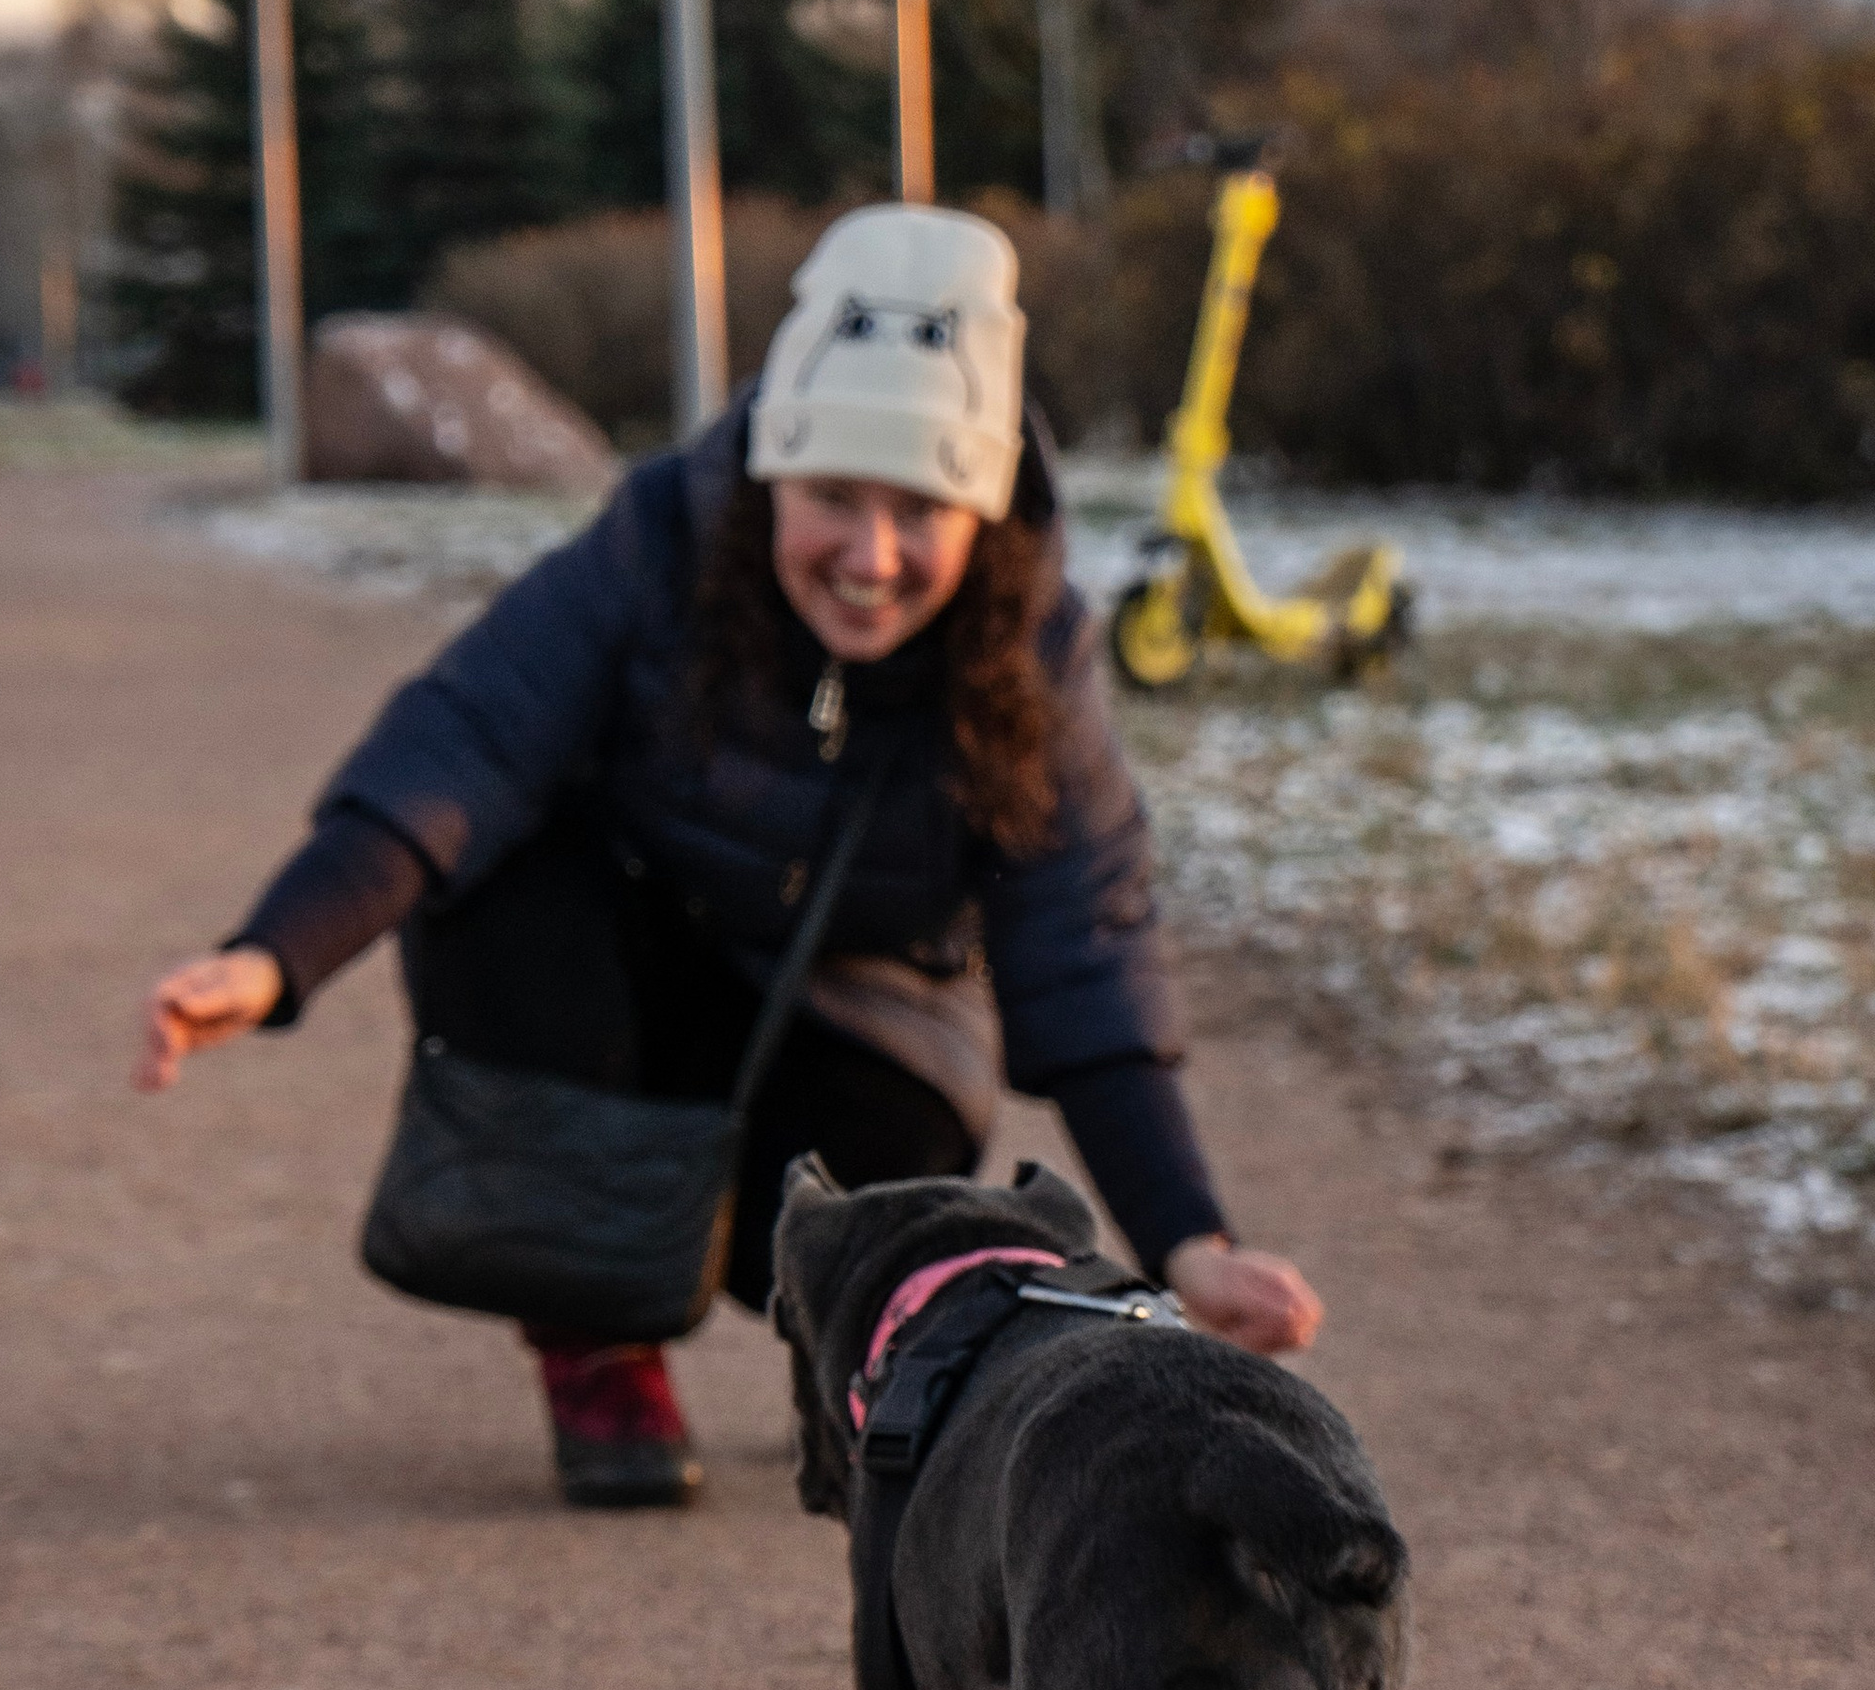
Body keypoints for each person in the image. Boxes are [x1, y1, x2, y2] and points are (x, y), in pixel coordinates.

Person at [138, 206, 1321, 1506]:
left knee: (877, 1211)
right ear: (769, 477)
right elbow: (468, 738)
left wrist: (1188, 1239)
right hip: (633, 981)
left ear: (980, 512)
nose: (869, 558)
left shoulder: (1034, 646)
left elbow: (1082, 942)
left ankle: (859, 1350)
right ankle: (599, 1331)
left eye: (921, 507)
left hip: (865, 1034)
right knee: (498, 876)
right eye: (830, 499)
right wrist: (271, 954)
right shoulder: (663, 537)